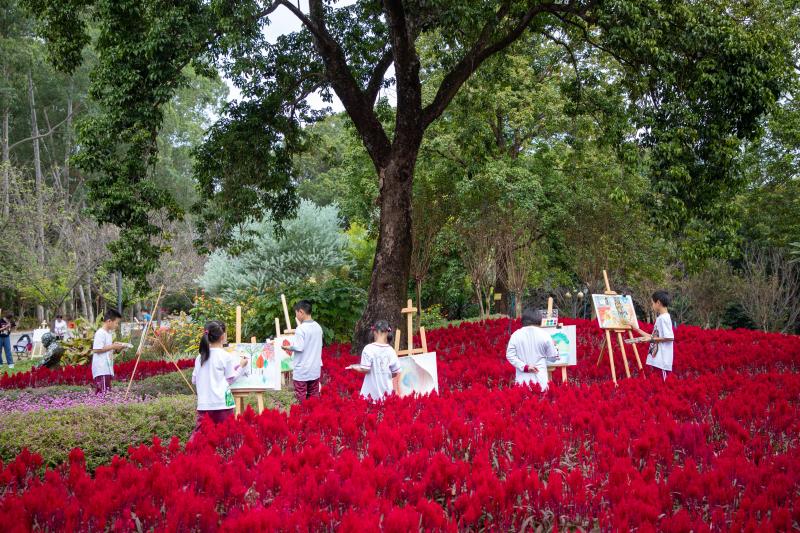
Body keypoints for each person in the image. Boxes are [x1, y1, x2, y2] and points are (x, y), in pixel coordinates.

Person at [191, 321, 249, 433]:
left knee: (201, 438)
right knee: (226, 437)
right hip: (223, 404)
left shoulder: (200, 357)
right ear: (222, 336)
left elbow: (194, 380)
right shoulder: (225, 356)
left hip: (204, 405)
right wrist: (241, 366)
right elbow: (230, 379)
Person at [506, 308, 559, 392]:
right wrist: (555, 346)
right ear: (539, 320)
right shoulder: (545, 335)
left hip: (522, 381)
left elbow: (510, 355)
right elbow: (553, 358)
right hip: (540, 381)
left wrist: (525, 367)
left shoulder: (515, 335)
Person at [349, 320, 401, 401]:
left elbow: (365, 369)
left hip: (370, 393)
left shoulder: (368, 349)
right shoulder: (391, 351)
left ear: (374, 332)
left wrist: (354, 367)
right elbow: (395, 372)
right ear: (387, 333)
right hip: (386, 393)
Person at [631, 291, 675, 381]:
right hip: (658, 361)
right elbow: (653, 337)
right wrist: (637, 329)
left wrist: (651, 338)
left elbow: (670, 337)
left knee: (664, 387)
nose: (652, 305)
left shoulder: (664, 318)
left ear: (658, 303)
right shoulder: (661, 318)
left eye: (652, 303)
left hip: (662, 361)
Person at [288, 300, 324, 403]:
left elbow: (299, 347)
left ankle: (303, 416)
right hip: (315, 369)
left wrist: (288, 348)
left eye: (296, 313)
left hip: (302, 370)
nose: (296, 316)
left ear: (301, 312)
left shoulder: (301, 329)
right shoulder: (318, 327)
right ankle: (313, 415)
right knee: (314, 396)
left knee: (301, 397)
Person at [91, 309, 128, 393]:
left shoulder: (108, 333)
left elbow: (108, 351)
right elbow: (96, 349)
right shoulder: (100, 333)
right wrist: (113, 346)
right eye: (116, 323)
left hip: (107, 368)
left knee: (105, 392)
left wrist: (118, 348)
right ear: (109, 321)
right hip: (101, 369)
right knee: (103, 394)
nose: (117, 325)